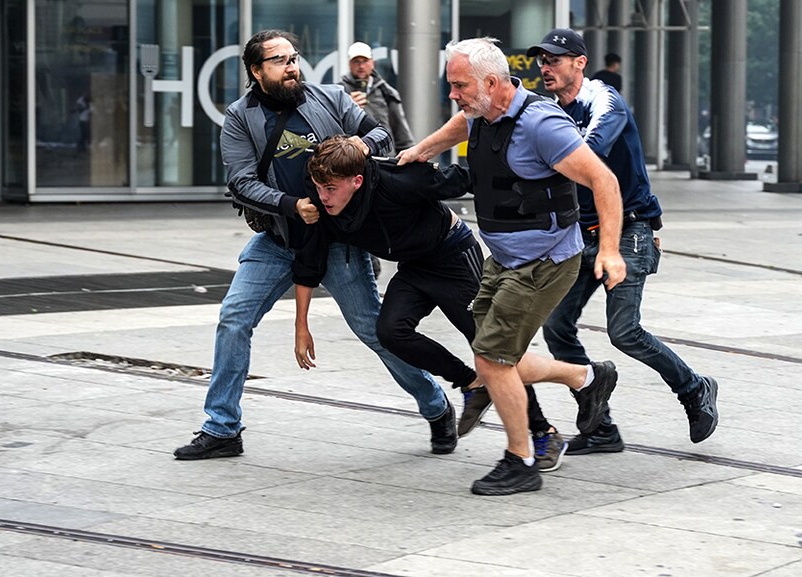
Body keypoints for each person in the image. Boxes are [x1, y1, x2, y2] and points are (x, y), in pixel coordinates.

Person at [174, 29, 454, 460]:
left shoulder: (330, 98)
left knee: (372, 330)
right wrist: (290, 205)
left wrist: (359, 143)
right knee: (233, 318)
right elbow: (240, 182)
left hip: (340, 241)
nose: (292, 67)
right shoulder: (239, 117)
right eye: (280, 61)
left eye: (294, 58)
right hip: (278, 239)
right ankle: (222, 428)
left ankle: (436, 407)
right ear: (255, 70)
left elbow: (381, 136)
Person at [399, 37, 626, 496]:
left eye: (460, 85)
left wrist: (611, 251)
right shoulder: (483, 112)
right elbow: (458, 125)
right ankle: (586, 377)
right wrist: (420, 151)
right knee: (497, 358)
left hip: (546, 261)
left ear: (490, 82)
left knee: (491, 358)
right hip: (503, 261)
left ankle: (521, 460)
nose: (454, 94)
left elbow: (604, 179)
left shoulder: (542, 125)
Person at [293, 136, 595, 472]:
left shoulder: (395, 180)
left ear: (357, 180)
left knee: (495, 351)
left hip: (451, 255)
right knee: (390, 331)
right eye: (319, 187)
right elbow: (310, 261)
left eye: (331, 189)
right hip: (414, 268)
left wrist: (526, 190)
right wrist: (301, 325)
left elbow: (460, 179)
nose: (323, 196)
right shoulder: (320, 203)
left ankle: (544, 432)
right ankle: (470, 383)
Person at [523, 28, 718, 454]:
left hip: (629, 229)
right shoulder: (551, 110)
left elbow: (588, 151)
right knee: (557, 325)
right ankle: (602, 428)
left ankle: (694, 388)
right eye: (542, 60)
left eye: (554, 60)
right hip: (582, 235)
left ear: (579, 62)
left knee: (624, 331)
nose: (545, 68)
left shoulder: (603, 99)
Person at [340, 42, 415, 155]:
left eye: (365, 61)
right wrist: (347, 107)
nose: (361, 66)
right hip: (351, 161)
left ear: (372, 63)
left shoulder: (386, 92)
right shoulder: (339, 93)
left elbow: (402, 134)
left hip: (383, 161)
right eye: (356, 62)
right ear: (350, 64)